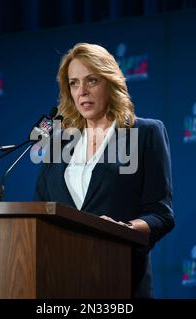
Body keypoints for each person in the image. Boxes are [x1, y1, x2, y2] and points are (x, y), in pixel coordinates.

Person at [34, 43, 174, 298]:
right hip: (60, 283)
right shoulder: (57, 143)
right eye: (74, 83)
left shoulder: (143, 134)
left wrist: (123, 229)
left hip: (119, 279)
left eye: (92, 80)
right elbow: (40, 213)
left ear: (110, 82)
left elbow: (161, 215)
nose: (82, 91)